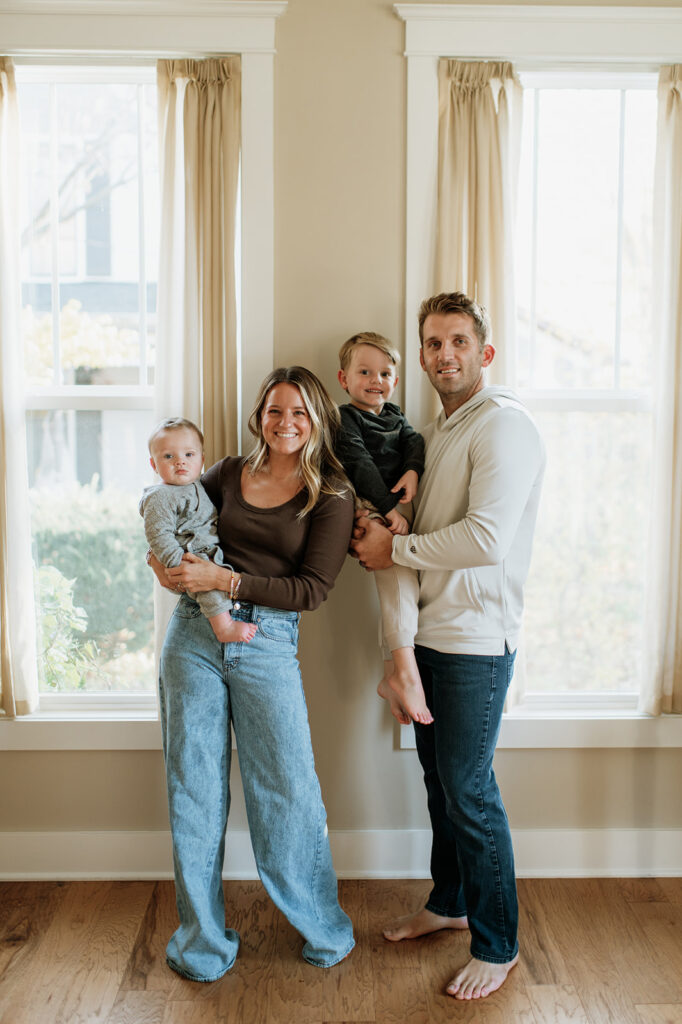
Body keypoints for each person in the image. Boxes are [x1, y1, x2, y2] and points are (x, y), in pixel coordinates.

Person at [350, 292, 545, 1001]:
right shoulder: (438, 429)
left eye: (458, 341)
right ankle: (450, 902)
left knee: (469, 791)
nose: (445, 355)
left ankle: (498, 944)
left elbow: (487, 540)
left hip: (475, 643)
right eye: (433, 343)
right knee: (440, 787)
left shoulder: (504, 428)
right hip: (432, 635)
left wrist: (394, 547)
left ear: (484, 353)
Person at [148, 367, 355, 982]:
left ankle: (322, 929)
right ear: (257, 416)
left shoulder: (332, 494)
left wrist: (227, 581)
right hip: (193, 634)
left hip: (267, 641)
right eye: (273, 411)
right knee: (194, 788)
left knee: (288, 789)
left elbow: (312, 590)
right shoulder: (227, 472)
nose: (285, 423)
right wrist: (165, 567)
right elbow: (173, 515)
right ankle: (202, 945)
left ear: (317, 417)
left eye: (298, 412)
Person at [336, 332, 431, 725]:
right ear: (344, 379)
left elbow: (415, 442)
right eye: (365, 372)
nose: (376, 380)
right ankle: (405, 674)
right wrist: (390, 509)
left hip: (393, 508)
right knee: (398, 579)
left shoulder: (395, 416)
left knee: (402, 586)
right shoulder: (345, 418)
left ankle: (394, 673)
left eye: (385, 373)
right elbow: (360, 465)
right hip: (367, 504)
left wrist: (412, 470)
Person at [141, 417, 257, 644]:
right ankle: (224, 628)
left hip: (210, 551)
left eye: (189, 455)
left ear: (202, 460)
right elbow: (158, 535)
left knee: (213, 579)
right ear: (154, 465)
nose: (180, 462)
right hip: (190, 556)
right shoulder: (159, 496)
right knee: (209, 588)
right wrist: (179, 565)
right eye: (168, 456)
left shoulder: (198, 485)